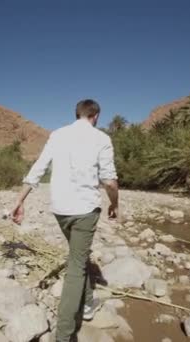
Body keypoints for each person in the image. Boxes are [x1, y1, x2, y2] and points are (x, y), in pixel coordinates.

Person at [11, 99, 119, 342]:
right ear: (96, 115)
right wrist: (115, 204)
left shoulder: (57, 135)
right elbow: (110, 181)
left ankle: (88, 304)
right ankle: (64, 335)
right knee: (76, 267)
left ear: (77, 114)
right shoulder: (101, 139)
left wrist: (19, 201)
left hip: (60, 210)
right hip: (85, 211)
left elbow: (38, 168)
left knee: (78, 257)